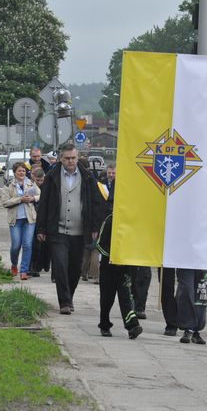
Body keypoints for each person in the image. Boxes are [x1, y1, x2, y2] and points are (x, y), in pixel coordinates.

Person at [36, 144, 105, 314]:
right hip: (57, 231)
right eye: (67, 158)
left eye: (73, 158)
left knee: (75, 269)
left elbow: (97, 203)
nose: (70, 161)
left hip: (80, 232)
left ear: (77, 157)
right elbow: (43, 203)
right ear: (61, 159)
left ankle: (69, 296)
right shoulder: (52, 176)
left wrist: (95, 227)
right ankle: (64, 302)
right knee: (59, 265)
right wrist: (41, 228)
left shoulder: (87, 177)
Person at [95, 165, 142, 339]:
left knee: (126, 296)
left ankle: (132, 326)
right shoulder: (109, 220)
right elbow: (99, 244)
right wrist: (112, 256)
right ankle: (104, 324)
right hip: (108, 265)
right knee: (106, 298)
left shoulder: (132, 222)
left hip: (125, 266)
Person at [103, 162, 152, 318]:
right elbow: (111, 205)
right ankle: (131, 302)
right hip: (127, 230)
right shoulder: (121, 181)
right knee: (129, 271)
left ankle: (140, 305)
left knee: (143, 270)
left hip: (145, 230)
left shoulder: (152, 181)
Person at [1, 162, 40, 281]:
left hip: (29, 219)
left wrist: (32, 198)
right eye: (19, 171)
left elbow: (39, 195)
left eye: (23, 171)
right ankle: (14, 264)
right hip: (15, 220)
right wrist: (20, 200)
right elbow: (5, 202)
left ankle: (24, 270)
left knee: (27, 244)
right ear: (14, 172)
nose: (22, 173)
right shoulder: (9, 185)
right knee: (16, 245)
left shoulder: (31, 183)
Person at [29, 167, 48, 277]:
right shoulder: (31, 188)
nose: (40, 182)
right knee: (32, 244)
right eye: (38, 180)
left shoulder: (46, 188)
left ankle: (36, 267)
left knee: (39, 245)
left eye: (41, 180)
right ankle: (30, 266)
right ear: (33, 178)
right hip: (32, 218)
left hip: (42, 219)